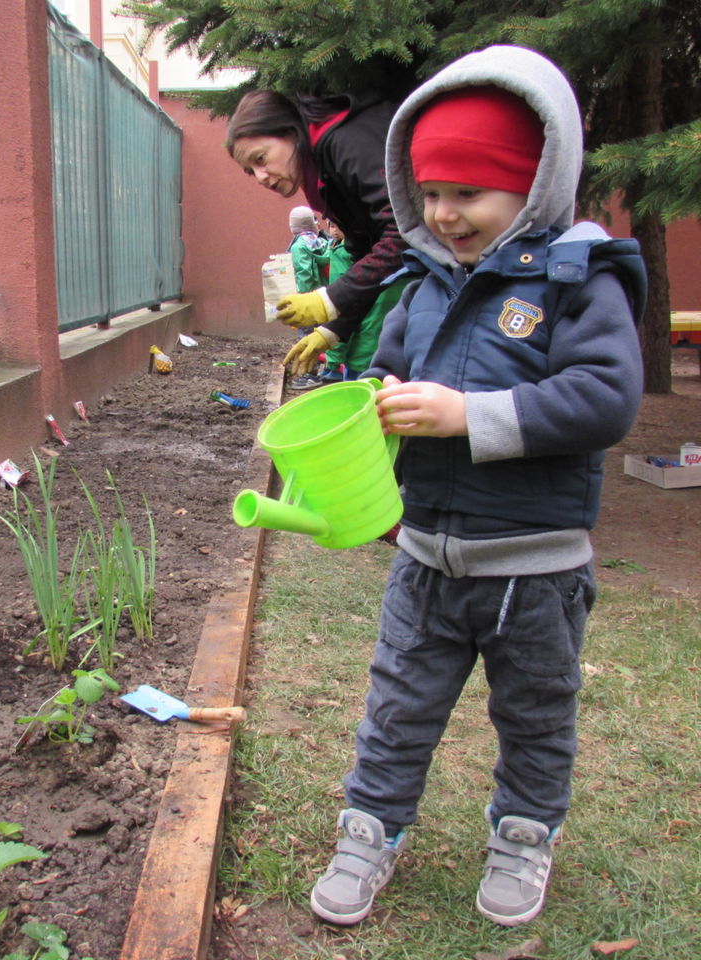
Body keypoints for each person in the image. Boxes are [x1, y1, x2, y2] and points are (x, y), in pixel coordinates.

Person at [309, 44, 646, 930]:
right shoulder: (419, 284)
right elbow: (385, 371)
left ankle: (526, 831)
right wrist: (373, 402)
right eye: (431, 193)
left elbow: (605, 399)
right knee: (396, 707)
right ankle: (371, 828)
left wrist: (470, 416)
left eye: (471, 194)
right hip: (426, 560)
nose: (446, 215)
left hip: (534, 569)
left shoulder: (580, 279)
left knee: (535, 715)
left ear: (534, 185)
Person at [226, 88, 407, 375]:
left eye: (260, 158)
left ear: (291, 133)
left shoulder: (346, 143)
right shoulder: (320, 176)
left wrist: (329, 300)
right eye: (251, 171)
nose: (260, 177)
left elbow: (404, 233)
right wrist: (333, 330)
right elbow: (366, 253)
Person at [320, 218, 407, 382]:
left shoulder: (344, 254)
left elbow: (343, 307)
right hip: (399, 353)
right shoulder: (404, 251)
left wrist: (333, 358)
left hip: (362, 356)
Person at [286, 206, 331, 390]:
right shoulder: (323, 241)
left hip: (308, 300)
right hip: (324, 298)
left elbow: (304, 273)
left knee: (305, 337)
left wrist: (301, 300)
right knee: (322, 335)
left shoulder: (299, 246)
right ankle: (326, 369)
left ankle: (308, 375)